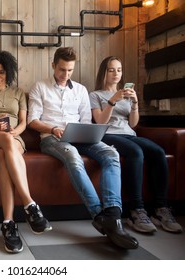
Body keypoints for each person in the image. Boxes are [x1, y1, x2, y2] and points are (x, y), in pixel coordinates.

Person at [28, 47, 139, 249]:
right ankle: (99, 215)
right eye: (62, 69)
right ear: (53, 66)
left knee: (111, 153)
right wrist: (53, 129)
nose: (66, 74)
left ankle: (113, 215)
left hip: (81, 137)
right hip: (52, 138)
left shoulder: (80, 90)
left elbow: (87, 120)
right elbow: (33, 121)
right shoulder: (39, 87)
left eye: (70, 70)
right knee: (74, 158)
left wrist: (86, 133)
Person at [90, 56, 183, 234]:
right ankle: (136, 210)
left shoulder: (126, 94)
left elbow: (133, 124)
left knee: (158, 152)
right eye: (111, 70)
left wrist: (135, 104)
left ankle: (160, 209)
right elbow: (100, 121)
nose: (116, 73)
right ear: (104, 72)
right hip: (108, 135)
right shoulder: (95, 95)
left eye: (119, 69)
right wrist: (113, 100)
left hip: (129, 134)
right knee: (136, 152)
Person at [0, 51, 52, 253]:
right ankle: (29, 204)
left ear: (8, 72)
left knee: (3, 155)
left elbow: (24, 122)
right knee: (5, 142)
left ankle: (8, 223)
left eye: (1, 72)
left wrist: (14, 132)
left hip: (14, 137)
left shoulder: (18, 93)